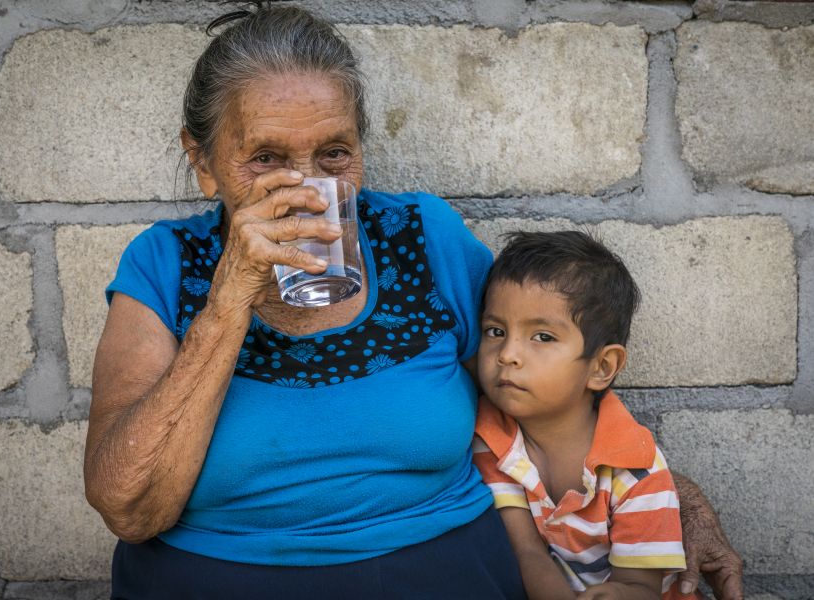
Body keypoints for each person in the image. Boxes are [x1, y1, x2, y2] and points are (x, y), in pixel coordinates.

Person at [83, 4, 742, 599]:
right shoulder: (165, 264)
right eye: (267, 157)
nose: (308, 188)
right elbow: (129, 508)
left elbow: (544, 381)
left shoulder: (422, 238)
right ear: (203, 162)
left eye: (334, 154)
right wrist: (226, 307)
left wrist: (667, 496)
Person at [472, 230, 706, 599]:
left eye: (543, 337)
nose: (507, 354)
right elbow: (527, 553)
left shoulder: (636, 468)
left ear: (601, 367)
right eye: (495, 330)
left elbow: (641, 587)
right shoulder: (493, 440)